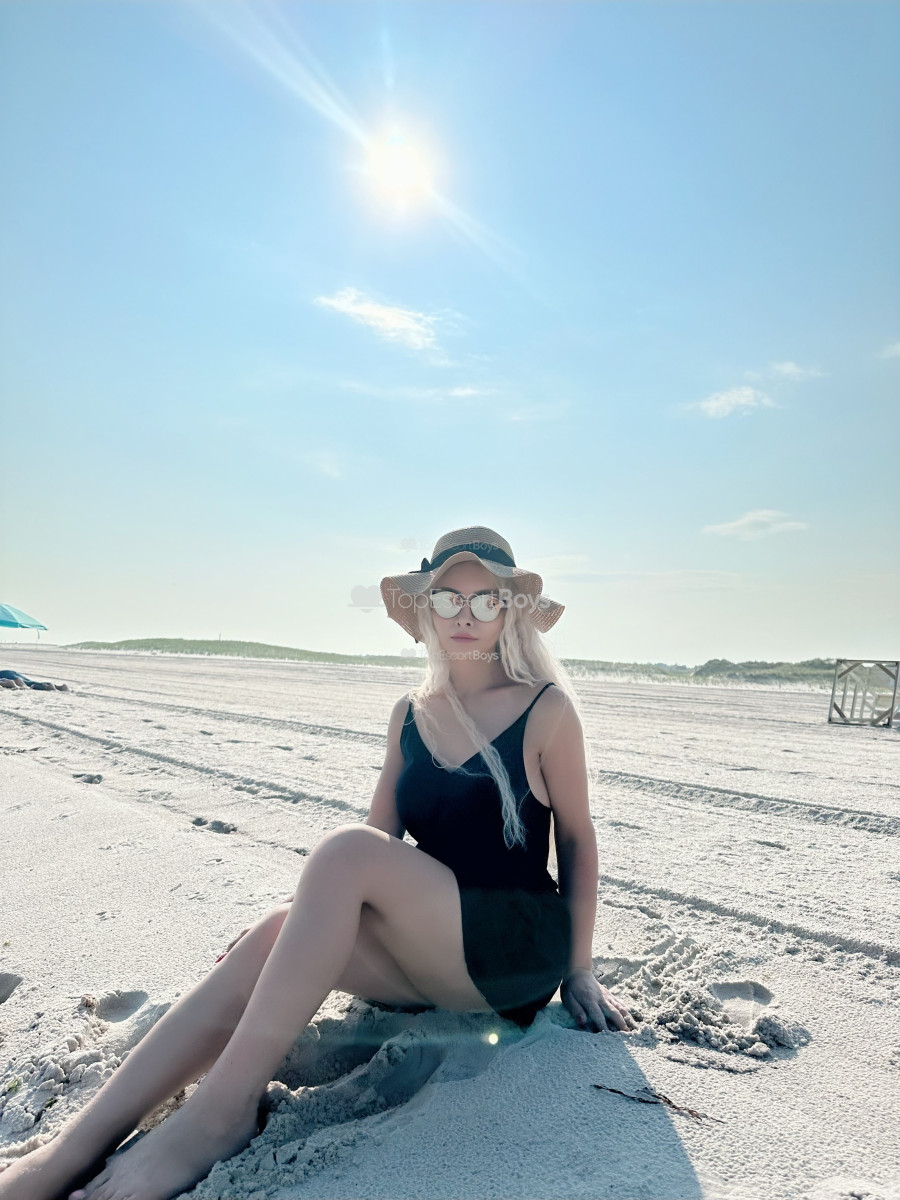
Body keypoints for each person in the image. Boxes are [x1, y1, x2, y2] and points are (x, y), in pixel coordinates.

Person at [0, 525, 637, 1200]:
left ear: (508, 612)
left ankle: (218, 1118)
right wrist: (292, 924)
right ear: (425, 609)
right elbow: (379, 845)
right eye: (448, 598)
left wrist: (579, 969)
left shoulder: (544, 707)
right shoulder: (410, 715)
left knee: (342, 852)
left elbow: (577, 839)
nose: (465, 615)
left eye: (485, 600)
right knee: (272, 934)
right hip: (433, 951)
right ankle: (74, 1148)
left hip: (514, 950)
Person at [0, 670, 69, 691]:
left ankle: (47, 686)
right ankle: (59, 687)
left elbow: (17, 680)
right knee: (30, 682)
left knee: (27, 683)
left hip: (5, 675)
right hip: (8, 672)